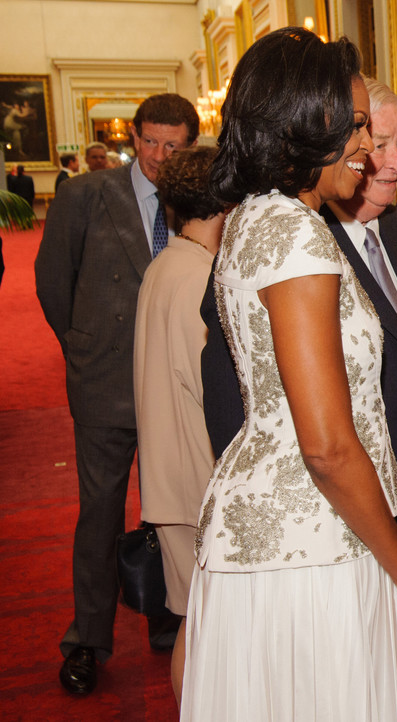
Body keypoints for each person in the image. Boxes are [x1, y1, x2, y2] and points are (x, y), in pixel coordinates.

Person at [198, 74, 397, 722]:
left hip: (276, 529)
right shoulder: (294, 232)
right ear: (300, 129)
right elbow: (324, 447)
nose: (370, 146)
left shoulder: (253, 215)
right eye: (353, 125)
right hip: (316, 542)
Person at [35, 92, 199, 696]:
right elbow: (54, 282)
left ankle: (167, 613)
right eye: (150, 141)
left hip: (176, 384)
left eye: (172, 144)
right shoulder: (85, 196)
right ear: (134, 138)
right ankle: (87, 639)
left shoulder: (198, 197)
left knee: (172, 508)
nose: (159, 155)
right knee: (99, 515)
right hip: (105, 384)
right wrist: (82, 347)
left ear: (189, 142)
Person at [132, 145, 227, 707]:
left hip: (173, 479)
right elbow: (216, 393)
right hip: (196, 483)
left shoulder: (169, 264)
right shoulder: (197, 275)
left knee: (198, 628)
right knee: (205, 636)